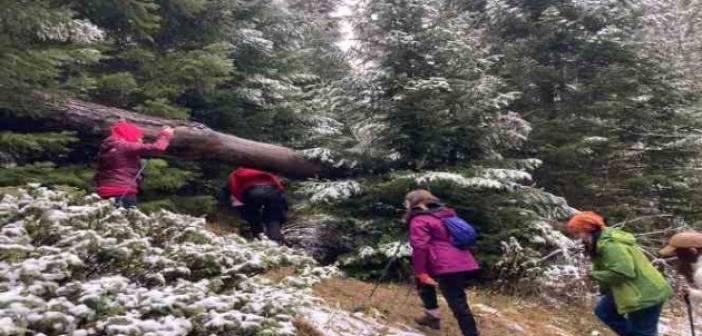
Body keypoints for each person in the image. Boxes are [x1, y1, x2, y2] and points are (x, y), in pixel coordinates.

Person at [567, 211, 673, 336]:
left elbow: (624, 272)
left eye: (578, 232)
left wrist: (593, 274)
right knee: (604, 311)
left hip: (645, 293)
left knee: (642, 332)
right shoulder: (600, 243)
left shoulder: (611, 245)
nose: (577, 237)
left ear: (589, 229)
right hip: (629, 289)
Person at [405, 189, 480, 336]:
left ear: (416, 202)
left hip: (445, 265)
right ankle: (432, 315)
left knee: (457, 302)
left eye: (406, 201)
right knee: (424, 282)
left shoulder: (420, 219)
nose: (405, 205)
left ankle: (471, 333)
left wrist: (420, 271)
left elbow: (420, 247)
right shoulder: (445, 214)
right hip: (461, 261)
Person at [95, 121, 174, 208]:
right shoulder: (125, 146)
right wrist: (165, 135)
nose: (140, 139)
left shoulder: (107, 146)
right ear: (129, 134)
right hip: (123, 192)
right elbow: (157, 148)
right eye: (137, 136)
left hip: (103, 192)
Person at [226, 167, 287, 242]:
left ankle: (258, 237)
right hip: (273, 191)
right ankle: (276, 239)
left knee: (252, 215)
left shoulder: (235, 173)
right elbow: (278, 184)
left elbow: (233, 187)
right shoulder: (262, 170)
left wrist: (241, 202)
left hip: (252, 191)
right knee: (273, 216)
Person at [659, 231, 702, 305]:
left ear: (693, 251)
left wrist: (691, 292)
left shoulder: (700, 273)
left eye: (678, 252)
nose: (676, 256)